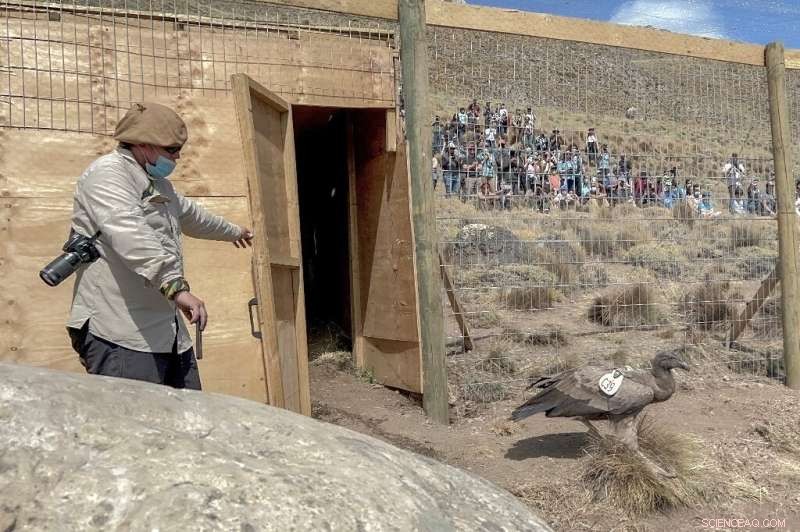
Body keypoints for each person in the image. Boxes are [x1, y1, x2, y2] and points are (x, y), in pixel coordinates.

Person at [66, 102, 254, 389]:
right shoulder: (107, 176)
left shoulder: (156, 183)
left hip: (166, 334)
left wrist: (234, 231)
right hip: (122, 336)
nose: (177, 156)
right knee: (136, 428)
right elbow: (132, 235)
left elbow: (193, 216)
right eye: (171, 149)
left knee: (189, 424)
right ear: (143, 144)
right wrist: (176, 288)